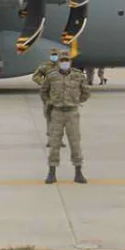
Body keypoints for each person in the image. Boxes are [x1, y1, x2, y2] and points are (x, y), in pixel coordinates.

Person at [41, 51, 91, 184]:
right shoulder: (52, 76)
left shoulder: (78, 76)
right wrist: (50, 102)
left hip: (72, 113)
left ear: (70, 62)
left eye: (66, 60)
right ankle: (51, 172)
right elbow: (44, 91)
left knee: (75, 143)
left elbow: (86, 92)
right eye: (62, 60)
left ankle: (78, 172)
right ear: (58, 62)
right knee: (54, 143)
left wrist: (76, 101)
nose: (64, 62)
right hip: (56, 112)